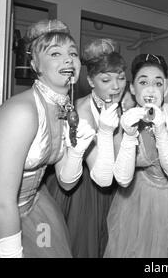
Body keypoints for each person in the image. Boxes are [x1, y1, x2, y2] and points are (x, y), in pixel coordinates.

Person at [0, 19, 95, 257]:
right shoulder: (22, 113)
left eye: (73, 53)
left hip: (34, 208)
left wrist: (78, 151)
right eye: (55, 53)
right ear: (34, 65)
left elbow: (66, 182)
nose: (69, 59)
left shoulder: (66, 109)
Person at [45, 38, 133, 257]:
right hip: (82, 188)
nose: (116, 86)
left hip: (114, 186)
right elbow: (103, 174)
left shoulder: (124, 101)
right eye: (106, 79)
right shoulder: (82, 111)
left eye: (121, 78)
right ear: (91, 81)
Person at [103, 53, 168, 258]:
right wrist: (129, 133)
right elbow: (121, 176)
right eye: (143, 82)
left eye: (158, 83)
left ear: (166, 88)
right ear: (133, 88)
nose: (151, 89)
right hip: (138, 202)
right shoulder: (122, 123)